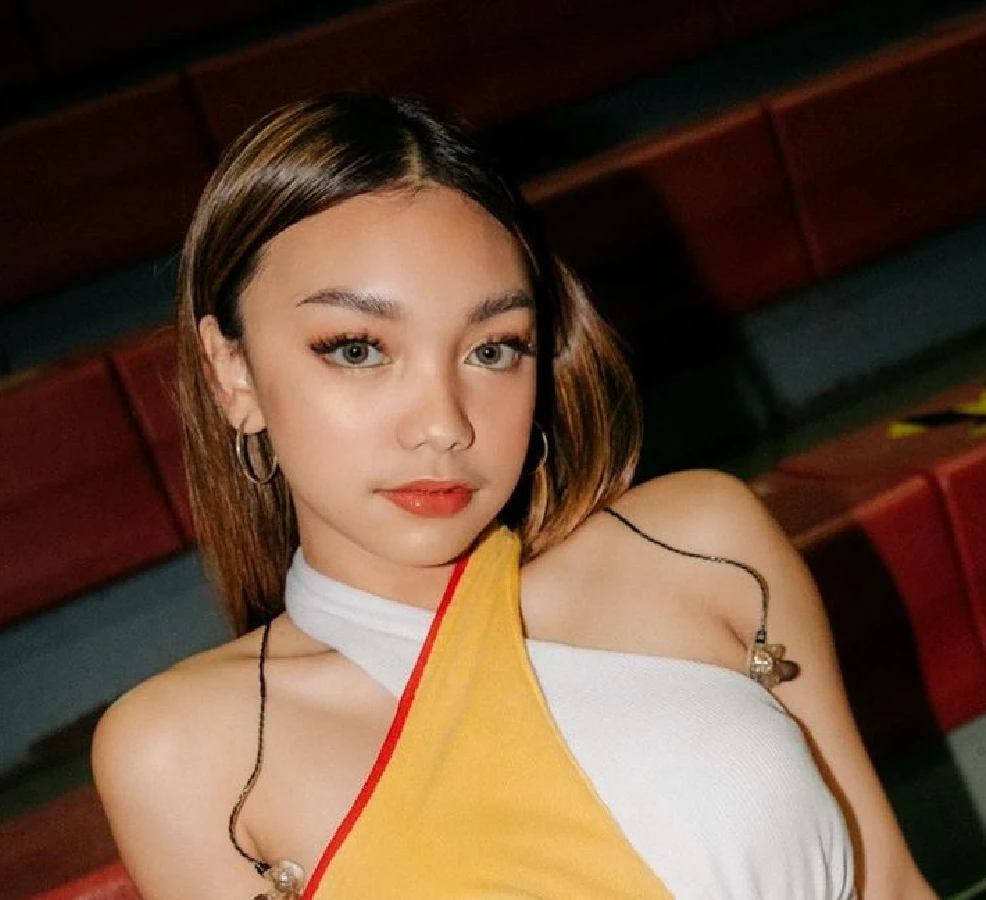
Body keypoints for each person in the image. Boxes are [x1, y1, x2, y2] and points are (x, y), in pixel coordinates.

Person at [92, 92, 938, 900]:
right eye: (356, 349)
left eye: (492, 349)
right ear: (232, 372)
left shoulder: (704, 547)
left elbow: (892, 885)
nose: (443, 425)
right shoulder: (186, 749)